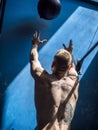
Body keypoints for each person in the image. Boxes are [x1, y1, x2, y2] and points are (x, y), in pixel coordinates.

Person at [30, 31, 79, 130]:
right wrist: (70, 53)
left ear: (53, 64)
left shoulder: (42, 79)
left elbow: (33, 59)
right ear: (68, 68)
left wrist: (35, 45)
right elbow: (72, 68)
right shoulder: (74, 82)